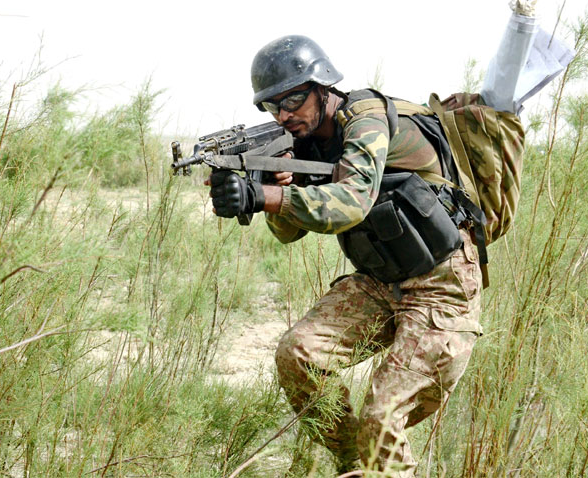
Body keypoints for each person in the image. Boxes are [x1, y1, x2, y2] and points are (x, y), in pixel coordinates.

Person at [208, 35, 502, 477]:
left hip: (442, 283)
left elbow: (351, 203)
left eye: (293, 99)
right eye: (272, 106)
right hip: (381, 280)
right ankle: (356, 464)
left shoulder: (366, 120)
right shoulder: (303, 142)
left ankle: (375, 461)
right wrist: (273, 184)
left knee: (382, 417)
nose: (284, 114)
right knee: (298, 354)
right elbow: (288, 233)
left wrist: (262, 196)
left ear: (323, 86)